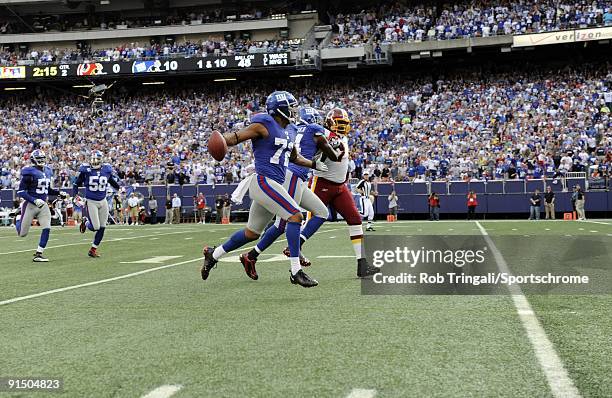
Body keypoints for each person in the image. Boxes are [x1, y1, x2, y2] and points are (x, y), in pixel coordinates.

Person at [201, 91, 328, 287]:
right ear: (280, 109)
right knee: (295, 216)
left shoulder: (291, 129)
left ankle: (213, 254)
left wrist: (313, 164)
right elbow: (237, 136)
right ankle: (296, 271)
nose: (294, 111)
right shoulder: (264, 123)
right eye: (291, 107)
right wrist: (222, 141)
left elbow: (294, 157)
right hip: (263, 181)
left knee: (252, 233)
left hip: (275, 184)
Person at [241, 106, 341, 270]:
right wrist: (335, 145)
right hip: (293, 176)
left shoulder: (293, 129)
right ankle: (258, 256)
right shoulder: (314, 129)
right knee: (283, 222)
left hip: (297, 178)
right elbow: (333, 156)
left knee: (322, 212)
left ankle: (293, 245)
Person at [299, 108, 379, 278]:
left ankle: (362, 264)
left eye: (344, 124)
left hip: (341, 187)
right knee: (312, 220)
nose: (342, 128)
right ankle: (295, 246)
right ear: (329, 123)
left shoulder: (343, 138)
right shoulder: (322, 135)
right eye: (339, 124)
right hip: (321, 184)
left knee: (355, 219)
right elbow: (313, 156)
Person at [15, 150, 63, 262]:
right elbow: (21, 191)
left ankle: (39, 254)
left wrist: (59, 193)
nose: (41, 160)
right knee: (22, 234)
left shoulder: (47, 171)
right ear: (33, 160)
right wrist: (34, 200)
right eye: (39, 158)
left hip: (43, 205)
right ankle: (18, 218)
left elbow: (48, 190)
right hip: (30, 205)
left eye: (42, 158)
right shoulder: (29, 172)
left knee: (47, 228)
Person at [73, 151, 121, 257]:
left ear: (101, 160)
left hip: (103, 201)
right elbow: (76, 183)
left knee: (102, 227)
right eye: (93, 159)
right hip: (91, 201)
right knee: (95, 227)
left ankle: (93, 249)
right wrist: (75, 195)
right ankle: (85, 222)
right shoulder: (85, 170)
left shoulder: (106, 169)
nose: (95, 162)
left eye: (97, 159)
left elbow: (111, 181)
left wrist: (119, 188)